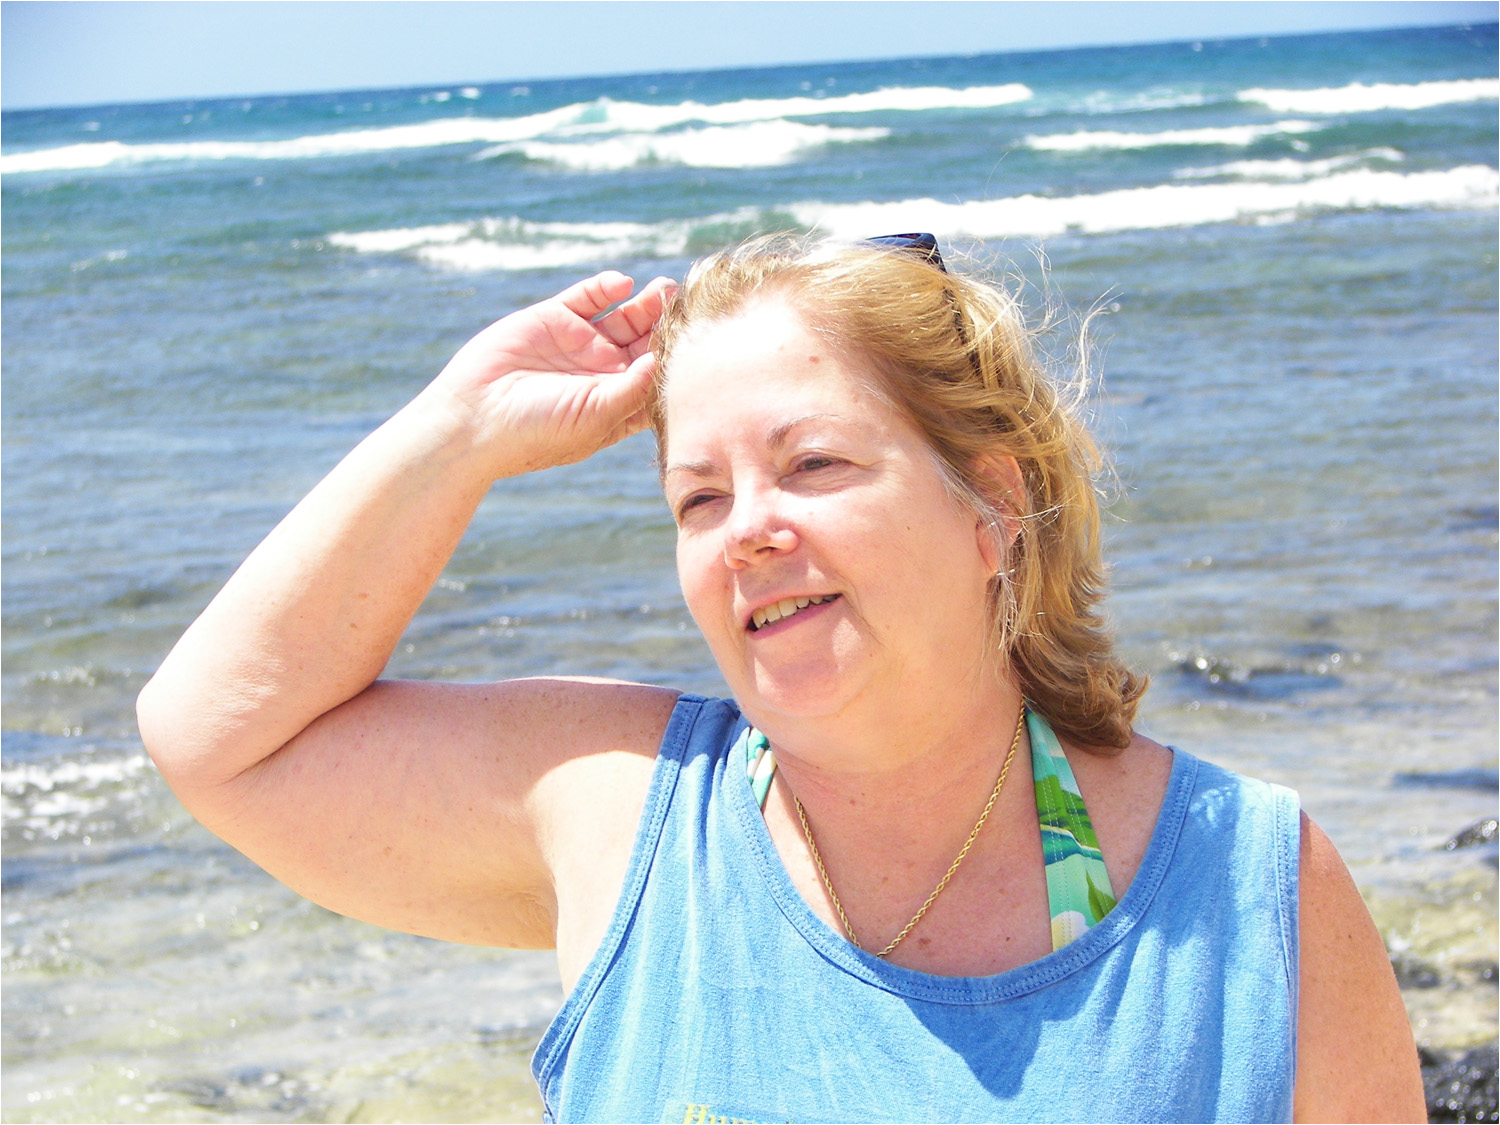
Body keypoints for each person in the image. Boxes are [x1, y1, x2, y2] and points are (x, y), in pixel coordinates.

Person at [137, 233, 1425, 1123]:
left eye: (812, 465)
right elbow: (218, 736)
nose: (749, 526)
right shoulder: (626, 818)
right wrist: (459, 432)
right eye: (699, 495)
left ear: (992, 508)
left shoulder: (1248, 886)